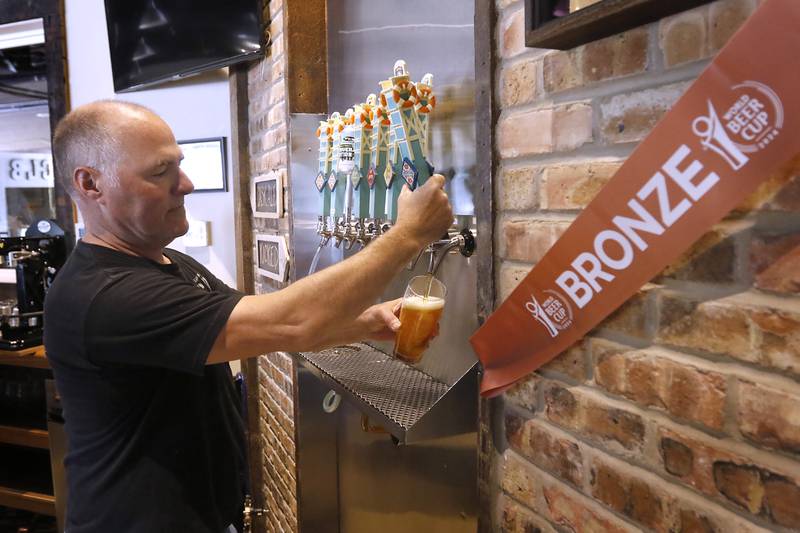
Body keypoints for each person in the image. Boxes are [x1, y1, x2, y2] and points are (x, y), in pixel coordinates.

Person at [44, 100, 453, 533]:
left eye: (178, 166)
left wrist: (366, 323)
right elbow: (294, 321)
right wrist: (408, 234)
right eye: (159, 172)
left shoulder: (169, 264)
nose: (185, 184)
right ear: (90, 184)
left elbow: (270, 329)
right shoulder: (105, 296)